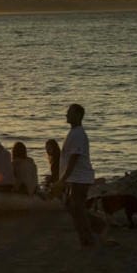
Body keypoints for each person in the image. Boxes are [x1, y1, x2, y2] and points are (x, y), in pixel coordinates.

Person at [52, 104, 107, 248]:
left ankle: (88, 239)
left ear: (77, 115)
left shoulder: (78, 134)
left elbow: (74, 158)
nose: (66, 115)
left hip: (79, 178)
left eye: (69, 113)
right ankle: (98, 225)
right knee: (73, 207)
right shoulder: (74, 132)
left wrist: (62, 180)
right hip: (74, 178)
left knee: (77, 209)